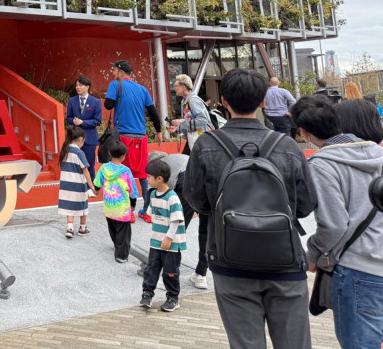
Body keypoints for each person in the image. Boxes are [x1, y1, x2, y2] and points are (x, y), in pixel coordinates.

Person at [184, 69, 316, 349]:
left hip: (230, 259)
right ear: (263, 102)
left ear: (223, 101)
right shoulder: (287, 145)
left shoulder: (207, 145)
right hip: (285, 260)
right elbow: (305, 205)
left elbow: (197, 201)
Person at [291, 96, 383, 349]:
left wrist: (313, 254)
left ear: (304, 132)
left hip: (358, 268)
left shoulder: (322, 164)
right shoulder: (378, 154)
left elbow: (334, 225)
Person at [103, 60, 162, 217]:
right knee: (143, 174)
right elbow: (153, 112)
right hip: (141, 138)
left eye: (114, 70)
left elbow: (108, 105)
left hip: (123, 137)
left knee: (122, 173)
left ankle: (128, 210)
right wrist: (158, 131)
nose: (113, 73)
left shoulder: (115, 85)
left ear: (121, 72)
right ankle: (147, 210)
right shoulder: (143, 89)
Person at [147, 151, 209, 289]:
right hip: (207, 181)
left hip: (187, 180)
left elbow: (167, 200)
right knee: (206, 231)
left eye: (149, 175)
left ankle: (170, 274)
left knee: (174, 232)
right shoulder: (177, 158)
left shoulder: (163, 169)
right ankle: (201, 275)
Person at [139, 157, 187, 313]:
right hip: (156, 241)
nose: (147, 179)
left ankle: (173, 298)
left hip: (170, 243)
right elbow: (151, 213)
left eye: (149, 177)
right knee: (151, 269)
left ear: (159, 179)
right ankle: (147, 294)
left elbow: (176, 219)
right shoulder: (153, 195)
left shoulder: (172, 197)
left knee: (170, 272)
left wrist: (168, 238)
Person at [92, 140, 139, 263]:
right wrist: (133, 204)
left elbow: (97, 183)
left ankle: (117, 244)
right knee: (124, 232)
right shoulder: (126, 171)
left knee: (112, 228)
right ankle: (121, 255)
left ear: (109, 153)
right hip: (122, 208)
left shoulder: (103, 168)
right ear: (124, 156)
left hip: (109, 206)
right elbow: (132, 190)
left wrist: (96, 190)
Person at [58, 126, 95, 237]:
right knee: (83, 204)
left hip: (66, 184)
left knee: (69, 205)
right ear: (81, 139)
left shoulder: (65, 150)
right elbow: (85, 170)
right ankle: (82, 228)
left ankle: (70, 228)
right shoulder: (79, 153)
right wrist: (91, 186)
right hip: (78, 184)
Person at [65, 75, 102, 182]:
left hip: (89, 138)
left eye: (80, 85)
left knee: (89, 163)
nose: (78, 87)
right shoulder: (72, 100)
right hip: (75, 138)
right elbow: (68, 118)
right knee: (76, 163)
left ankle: (90, 185)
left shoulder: (95, 102)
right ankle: (77, 184)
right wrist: (73, 121)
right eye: (77, 85)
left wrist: (83, 122)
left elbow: (97, 121)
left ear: (87, 87)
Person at [167, 74, 213, 155]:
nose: (174, 88)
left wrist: (180, 122)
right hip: (195, 140)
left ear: (183, 87)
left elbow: (202, 120)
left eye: (176, 86)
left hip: (202, 141)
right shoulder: (185, 101)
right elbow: (190, 120)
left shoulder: (193, 101)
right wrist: (177, 128)